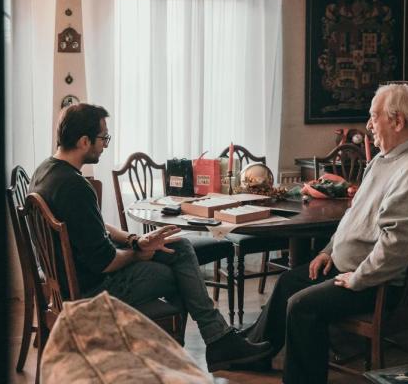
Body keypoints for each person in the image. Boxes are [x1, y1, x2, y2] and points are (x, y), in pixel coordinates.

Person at [29, 103, 272, 371]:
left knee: (179, 247)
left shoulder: (45, 171)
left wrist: (135, 240)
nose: (105, 145)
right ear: (84, 141)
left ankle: (211, 342)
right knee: (182, 274)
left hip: (68, 281)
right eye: (103, 138)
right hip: (90, 291)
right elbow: (105, 262)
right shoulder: (75, 187)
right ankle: (202, 347)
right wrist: (138, 254)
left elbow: (95, 225)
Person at [243, 83, 408, 383]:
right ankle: (252, 354)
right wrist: (328, 251)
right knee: (287, 282)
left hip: (380, 283)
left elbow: (397, 246)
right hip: (350, 267)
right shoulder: (383, 159)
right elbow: (353, 216)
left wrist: (358, 278)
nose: (369, 125)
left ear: (397, 121)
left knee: (301, 306)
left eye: (374, 116)